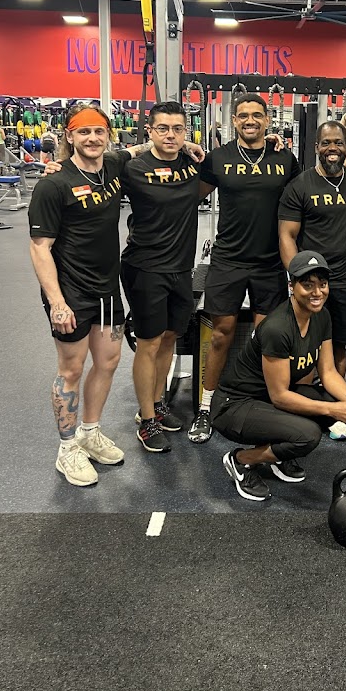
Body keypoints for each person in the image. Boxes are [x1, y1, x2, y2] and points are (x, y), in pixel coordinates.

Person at [28, 105, 144, 486]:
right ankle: (67, 449)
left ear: (108, 135)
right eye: (83, 132)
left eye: (99, 131)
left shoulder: (112, 165)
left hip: (107, 289)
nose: (92, 138)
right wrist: (57, 303)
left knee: (108, 361)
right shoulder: (53, 184)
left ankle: (89, 432)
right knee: (71, 369)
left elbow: (139, 149)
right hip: (71, 293)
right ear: (69, 136)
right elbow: (40, 248)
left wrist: (189, 146)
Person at [211, 251, 346, 502]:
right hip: (235, 407)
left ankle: (278, 455)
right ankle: (241, 460)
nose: (317, 292)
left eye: (322, 284)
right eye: (308, 285)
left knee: (327, 403)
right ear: (291, 286)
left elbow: (328, 372)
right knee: (307, 435)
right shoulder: (277, 328)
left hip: (265, 400)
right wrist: (334, 410)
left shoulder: (321, 316)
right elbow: (280, 397)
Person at [191, 94, 301, 445]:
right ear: (234, 121)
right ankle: (206, 407)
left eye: (257, 115)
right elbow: (188, 195)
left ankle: (262, 403)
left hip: (269, 262)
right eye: (243, 115)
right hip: (228, 260)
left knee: (266, 338)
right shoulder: (218, 158)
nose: (250, 120)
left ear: (267, 120)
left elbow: (304, 198)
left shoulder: (284, 158)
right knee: (220, 335)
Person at [120, 101, 206, 454]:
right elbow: (92, 164)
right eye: (163, 128)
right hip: (145, 267)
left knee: (170, 337)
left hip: (181, 268)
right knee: (149, 342)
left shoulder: (191, 165)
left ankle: (157, 404)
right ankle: (146, 420)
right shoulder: (133, 168)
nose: (170, 135)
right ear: (150, 131)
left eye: (177, 129)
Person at [278, 119, 346, 378]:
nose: (332, 148)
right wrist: (298, 277)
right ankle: (306, 397)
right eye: (326, 143)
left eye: (338, 143)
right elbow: (287, 236)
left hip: (345, 279)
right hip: (311, 280)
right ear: (316, 147)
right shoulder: (300, 185)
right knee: (305, 345)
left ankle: (335, 398)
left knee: (338, 347)